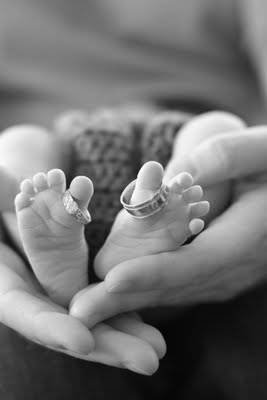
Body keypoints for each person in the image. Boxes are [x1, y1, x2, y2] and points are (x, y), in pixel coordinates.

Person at [1, 0, 267, 398]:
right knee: (19, 143)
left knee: (217, 131)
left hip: (174, 149)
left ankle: (73, 245)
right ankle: (64, 246)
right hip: (78, 161)